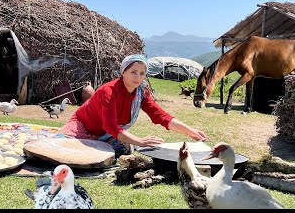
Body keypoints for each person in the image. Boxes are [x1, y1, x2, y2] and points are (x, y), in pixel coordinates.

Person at [58, 54, 207, 156]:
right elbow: (111, 125)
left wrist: (191, 132)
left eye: (142, 73)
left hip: (106, 134)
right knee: (62, 149)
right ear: (124, 72)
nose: (138, 77)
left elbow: (161, 116)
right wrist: (140, 141)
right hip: (82, 127)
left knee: (125, 150)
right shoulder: (108, 91)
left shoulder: (141, 93)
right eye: (134, 72)